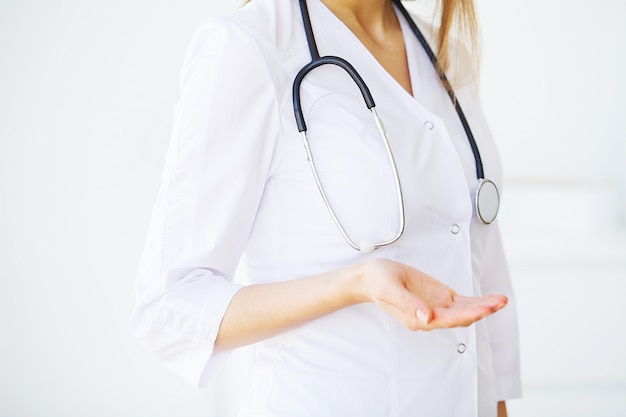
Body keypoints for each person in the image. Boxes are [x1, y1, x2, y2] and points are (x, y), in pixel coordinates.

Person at [131, 0, 521, 415]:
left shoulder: (445, 52)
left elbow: (480, 264)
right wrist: (352, 284)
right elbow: (170, 303)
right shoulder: (249, 45)